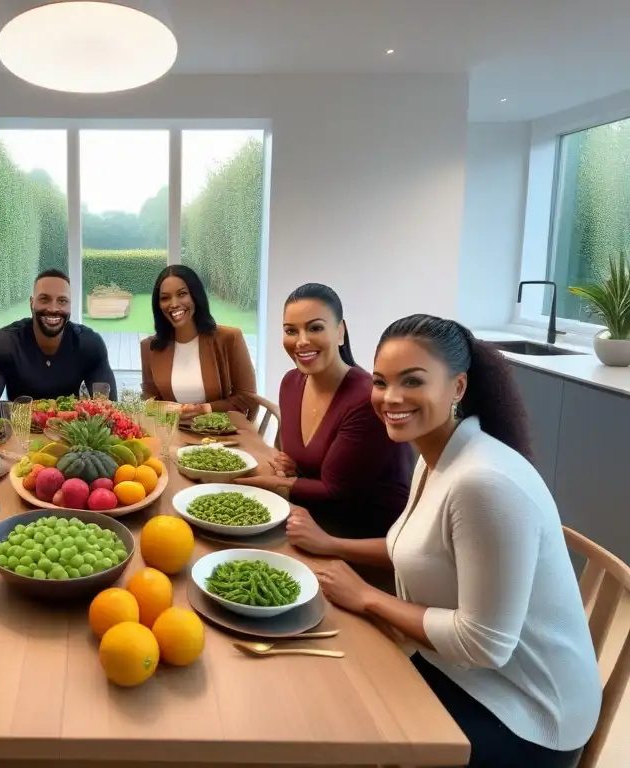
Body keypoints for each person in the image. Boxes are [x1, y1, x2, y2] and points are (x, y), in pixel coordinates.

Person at [303, 314, 600, 768]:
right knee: (330, 689)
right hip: (456, 670)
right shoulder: (436, 453)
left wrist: (366, 597)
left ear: (458, 387)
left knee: (344, 732)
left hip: (528, 717)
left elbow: (483, 644)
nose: (390, 398)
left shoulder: (483, 483)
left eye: (412, 381)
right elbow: (417, 547)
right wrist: (331, 545)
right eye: (381, 382)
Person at [237, 283, 410, 541]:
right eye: (290, 331)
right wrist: (292, 465)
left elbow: (336, 491)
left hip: (360, 535)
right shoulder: (291, 383)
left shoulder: (365, 398)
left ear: (340, 332)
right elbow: (306, 463)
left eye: (315, 327)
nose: (302, 340)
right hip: (307, 514)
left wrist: (270, 482)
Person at [0, 269, 116, 417]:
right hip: (20, 437)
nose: (53, 308)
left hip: (70, 436)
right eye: (44, 299)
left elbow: (109, 408)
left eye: (62, 301)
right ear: (32, 303)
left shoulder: (90, 344)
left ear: (70, 306)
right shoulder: (2, 344)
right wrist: (52, 414)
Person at [140, 265, 257, 416]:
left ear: (196, 296)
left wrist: (205, 409)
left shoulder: (229, 338)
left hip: (222, 434)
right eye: (165, 298)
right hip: (174, 433)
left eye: (182, 294)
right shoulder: (150, 347)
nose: (174, 304)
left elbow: (248, 398)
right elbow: (151, 401)